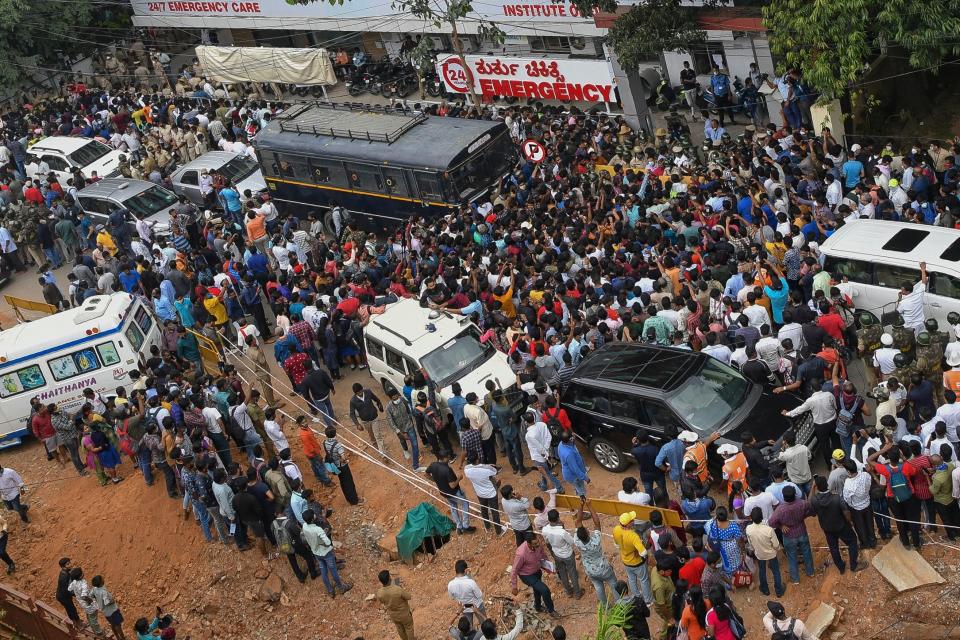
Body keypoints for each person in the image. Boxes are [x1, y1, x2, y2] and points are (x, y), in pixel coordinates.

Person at [809, 475, 865, 573]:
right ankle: (853, 565)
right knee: (852, 541)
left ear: (816, 487)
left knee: (833, 547)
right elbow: (846, 513)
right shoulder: (836, 498)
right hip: (841, 526)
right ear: (827, 485)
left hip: (827, 528)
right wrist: (850, 522)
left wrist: (812, 487)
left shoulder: (815, 500)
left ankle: (841, 567)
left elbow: (810, 503)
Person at [573, 498, 619, 607]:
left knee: (598, 587)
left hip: (590, 569)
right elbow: (597, 522)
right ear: (588, 534)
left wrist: (580, 505)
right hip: (603, 568)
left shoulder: (577, 541)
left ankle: (605, 607)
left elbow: (578, 521)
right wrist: (589, 505)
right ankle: (620, 604)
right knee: (613, 584)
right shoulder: (596, 541)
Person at [768, 485, 814, 584]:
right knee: (807, 552)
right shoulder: (802, 503)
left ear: (784, 497)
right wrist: (803, 516)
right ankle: (810, 572)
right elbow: (811, 508)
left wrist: (781, 526)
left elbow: (771, 522)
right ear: (795, 495)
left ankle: (795, 579)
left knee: (792, 557)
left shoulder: (780, 509)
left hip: (789, 536)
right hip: (802, 531)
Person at [302, 508, 352, 598]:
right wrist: (324, 534)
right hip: (326, 553)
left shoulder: (304, 526)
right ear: (312, 518)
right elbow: (328, 542)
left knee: (323, 570)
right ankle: (341, 587)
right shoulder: (317, 529)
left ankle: (330, 590)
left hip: (316, 552)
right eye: (313, 514)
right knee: (333, 570)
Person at [511, 531, 559, 618]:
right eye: (535, 543)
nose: (538, 544)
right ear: (528, 543)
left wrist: (549, 567)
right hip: (527, 575)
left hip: (537, 570)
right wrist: (514, 586)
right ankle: (551, 610)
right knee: (545, 590)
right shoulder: (521, 554)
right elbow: (514, 570)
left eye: (537, 541)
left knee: (537, 590)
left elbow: (543, 556)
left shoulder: (538, 545)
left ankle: (538, 606)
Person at [426, 451, 474, 535]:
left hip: (444, 492)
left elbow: (426, 474)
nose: (449, 458)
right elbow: (452, 485)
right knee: (465, 504)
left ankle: (459, 527)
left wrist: (435, 480)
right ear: (444, 458)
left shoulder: (433, 465)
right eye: (448, 457)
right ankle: (466, 526)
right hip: (454, 493)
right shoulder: (447, 470)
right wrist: (459, 478)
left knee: (453, 507)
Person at [613, 511, 652, 604]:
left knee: (631, 579)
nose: (634, 521)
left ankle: (636, 597)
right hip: (637, 562)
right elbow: (643, 553)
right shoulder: (633, 536)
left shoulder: (616, 529)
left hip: (625, 560)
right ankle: (648, 601)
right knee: (643, 580)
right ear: (629, 523)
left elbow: (616, 545)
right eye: (632, 520)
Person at [746, 507, 784, 597]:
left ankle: (765, 590)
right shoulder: (769, 530)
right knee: (776, 571)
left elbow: (750, 543)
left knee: (762, 571)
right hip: (771, 554)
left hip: (759, 554)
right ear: (762, 517)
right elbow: (776, 545)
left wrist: (754, 549)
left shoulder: (748, 529)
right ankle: (779, 591)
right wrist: (777, 548)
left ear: (751, 517)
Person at [324, 426, 361, 505]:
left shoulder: (325, 442)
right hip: (342, 466)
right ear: (335, 434)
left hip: (334, 466)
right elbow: (343, 457)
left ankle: (348, 498)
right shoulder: (338, 445)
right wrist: (345, 459)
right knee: (349, 483)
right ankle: (354, 500)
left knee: (343, 482)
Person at [376, 569, 416, 640]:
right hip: (404, 614)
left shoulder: (379, 593)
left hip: (393, 615)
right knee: (409, 628)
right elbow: (408, 597)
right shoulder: (397, 589)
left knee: (399, 628)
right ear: (389, 578)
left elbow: (382, 602)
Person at [349, 382, 386, 456]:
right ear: (355, 393)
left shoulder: (368, 392)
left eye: (361, 391)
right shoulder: (353, 401)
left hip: (374, 417)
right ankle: (375, 445)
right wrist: (357, 424)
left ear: (362, 389)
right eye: (358, 393)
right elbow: (352, 414)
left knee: (377, 435)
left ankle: (383, 454)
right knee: (371, 435)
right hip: (365, 421)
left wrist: (380, 405)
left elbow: (376, 399)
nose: (360, 393)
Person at [448, 559, 486, 626]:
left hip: (464, 608)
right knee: (484, 623)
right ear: (466, 570)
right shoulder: (471, 582)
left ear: (456, 571)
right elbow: (479, 595)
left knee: (469, 627)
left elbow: (452, 597)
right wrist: (470, 577)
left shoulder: (450, 584)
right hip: (477, 606)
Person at [90, 575, 125, 640]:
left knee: (113, 624)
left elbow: (91, 595)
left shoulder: (95, 589)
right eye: (102, 578)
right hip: (112, 611)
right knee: (118, 625)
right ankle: (122, 638)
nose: (103, 578)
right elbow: (107, 602)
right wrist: (112, 601)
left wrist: (98, 599)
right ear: (101, 583)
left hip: (106, 612)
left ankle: (117, 637)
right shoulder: (103, 592)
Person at [557, 430, 589, 497]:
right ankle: (583, 502)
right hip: (575, 477)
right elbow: (575, 469)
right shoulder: (569, 454)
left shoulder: (562, 443)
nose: (574, 435)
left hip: (569, 473)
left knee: (577, 488)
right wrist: (585, 478)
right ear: (570, 439)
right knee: (582, 493)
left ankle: (578, 494)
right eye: (572, 435)